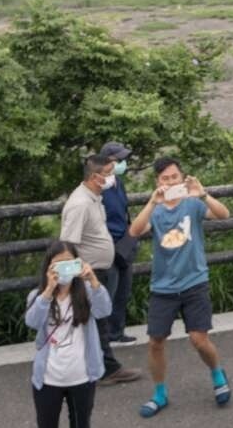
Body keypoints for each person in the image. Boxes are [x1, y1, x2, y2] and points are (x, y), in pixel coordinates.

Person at [128, 157, 233, 418]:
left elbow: (224, 214)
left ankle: (217, 373)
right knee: (155, 341)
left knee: (199, 339)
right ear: (158, 182)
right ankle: (160, 393)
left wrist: (204, 194)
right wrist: (152, 202)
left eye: (174, 177)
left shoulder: (193, 204)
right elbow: (135, 231)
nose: (170, 182)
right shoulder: (157, 209)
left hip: (194, 281)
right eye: (165, 178)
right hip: (162, 286)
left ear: (182, 178)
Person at [60, 155, 142, 386]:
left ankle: (99, 367)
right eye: (109, 172)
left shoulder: (94, 198)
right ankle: (106, 369)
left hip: (102, 269)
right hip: (91, 272)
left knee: (98, 320)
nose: (113, 176)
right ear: (96, 177)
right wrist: (77, 275)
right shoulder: (80, 204)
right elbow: (67, 244)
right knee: (98, 320)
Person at [24, 241, 112, 428]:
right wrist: (48, 290)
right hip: (48, 377)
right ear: (49, 267)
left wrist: (93, 280)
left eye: (69, 263)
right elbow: (31, 322)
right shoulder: (37, 296)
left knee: (81, 423)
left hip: (82, 375)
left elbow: (104, 310)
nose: (64, 270)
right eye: (58, 265)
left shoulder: (87, 292)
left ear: (78, 264)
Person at [99, 140, 137, 344]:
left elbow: (123, 211)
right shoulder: (98, 186)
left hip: (123, 243)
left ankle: (117, 331)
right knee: (108, 293)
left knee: (123, 291)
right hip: (106, 246)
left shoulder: (118, 183)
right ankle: (104, 337)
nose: (123, 162)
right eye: (119, 159)